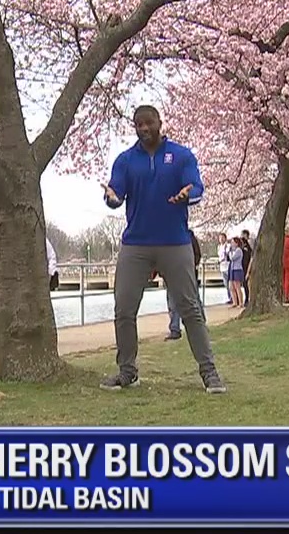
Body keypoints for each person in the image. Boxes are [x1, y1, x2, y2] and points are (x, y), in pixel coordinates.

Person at [100, 105, 225, 394]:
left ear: (159, 123)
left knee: (190, 308)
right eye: (138, 124)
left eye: (148, 123)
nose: (143, 128)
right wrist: (111, 198)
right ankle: (127, 372)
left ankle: (210, 373)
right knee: (124, 309)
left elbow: (197, 187)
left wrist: (188, 193)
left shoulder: (181, 156)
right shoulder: (126, 160)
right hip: (136, 245)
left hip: (175, 242)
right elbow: (116, 194)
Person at [166, 229, 201, 340]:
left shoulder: (188, 237)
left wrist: (189, 266)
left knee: (193, 300)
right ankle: (175, 328)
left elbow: (197, 255)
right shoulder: (165, 237)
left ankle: (200, 326)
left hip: (187, 273)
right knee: (172, 302)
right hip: (172, 273)